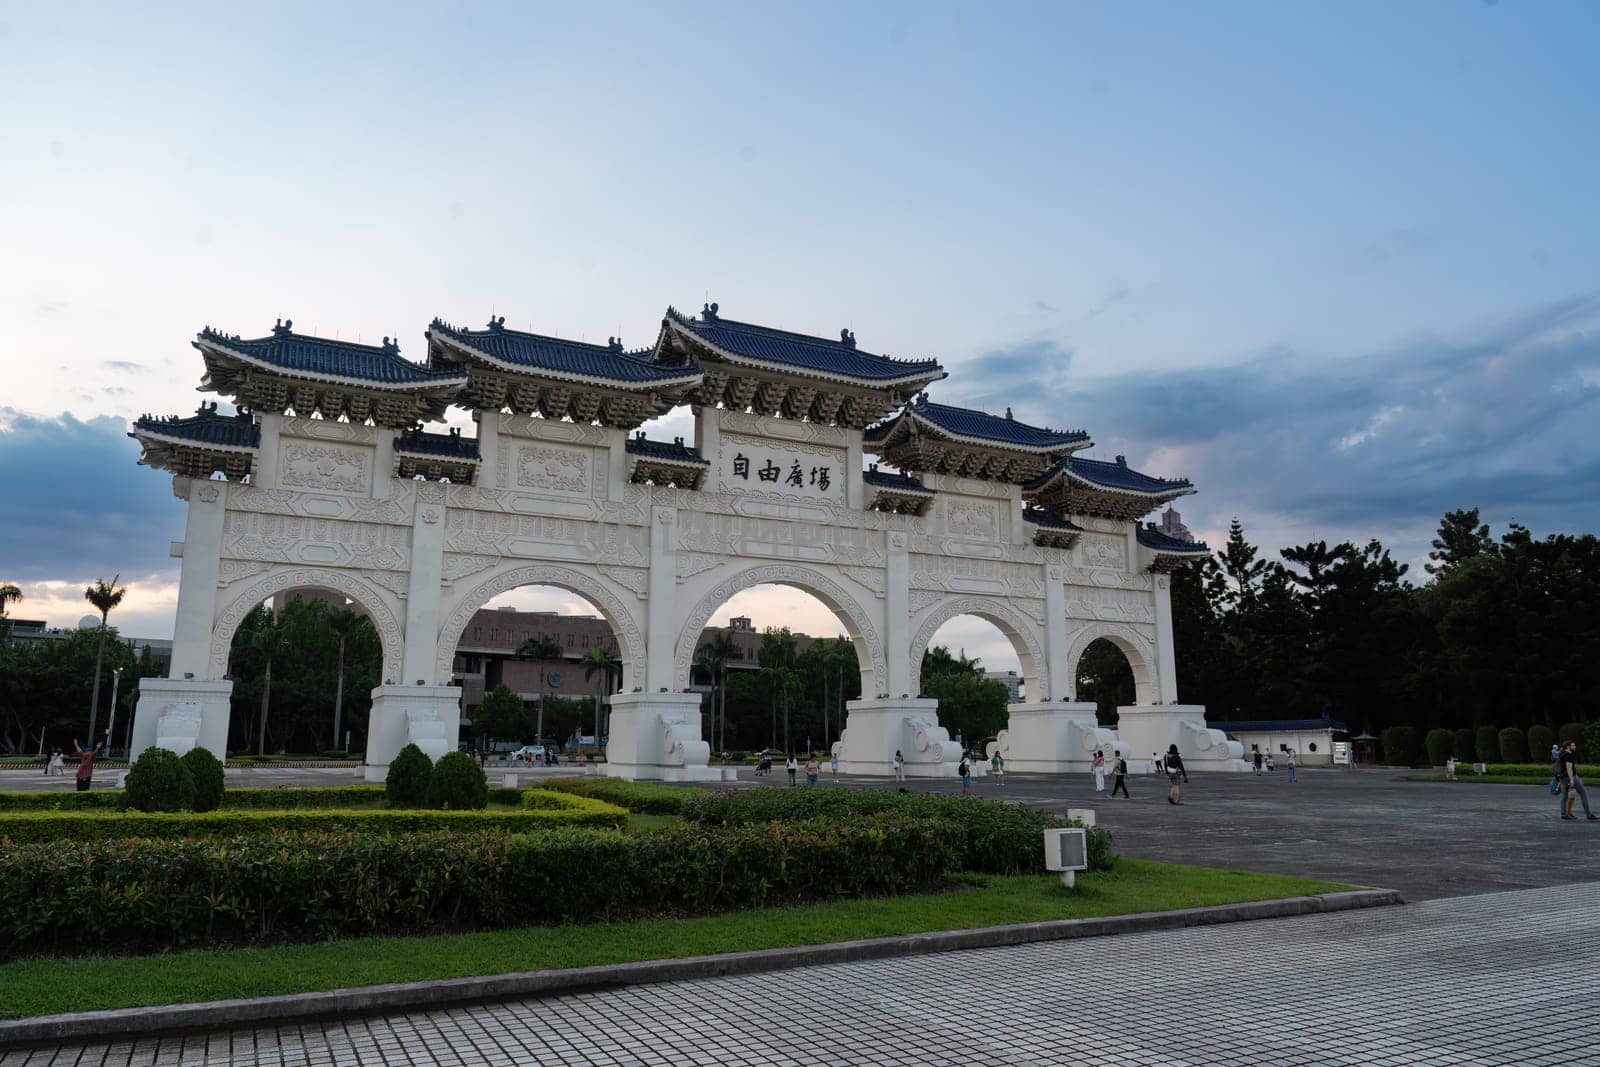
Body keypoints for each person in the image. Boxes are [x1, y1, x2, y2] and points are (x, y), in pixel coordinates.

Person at [1559, 741, 1595, 821]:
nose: (1575, 747)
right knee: (1583, 793)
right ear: (1568, 747)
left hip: (1562, 777)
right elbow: (1569, 768)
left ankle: (1563, 814)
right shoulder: (1568, 755)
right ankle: (1588, 814)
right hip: (1570, 777)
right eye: (1573, 745)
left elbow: (1560, 767)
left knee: (1564, 796)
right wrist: (1572, 779)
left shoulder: (1561, 753)